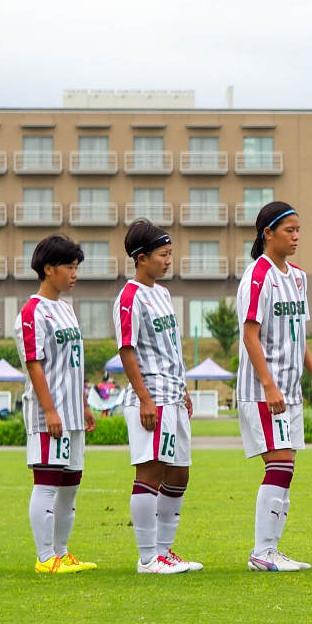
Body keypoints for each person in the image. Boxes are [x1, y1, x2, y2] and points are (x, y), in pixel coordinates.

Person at [236, 202, 312, 573]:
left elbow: (297, 332)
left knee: (286, 469)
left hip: (290, 390)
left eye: (298, 229)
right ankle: (262, 552)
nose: (296, 236)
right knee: (280, 464)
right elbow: (250, 335)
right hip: (263, 390)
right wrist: (269, 385)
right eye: (289, 229)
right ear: (267, 233)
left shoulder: (299, 277)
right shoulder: (257, 275)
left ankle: (271, 549)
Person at [114, 219, 200, 574]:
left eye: (169, 253)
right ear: (141, 258)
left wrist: (183, 389)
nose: (168, 260)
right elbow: (126, 350)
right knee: (150, 474)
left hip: (173, 397)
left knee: (179, 475)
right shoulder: (129, 297)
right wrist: (145, 399)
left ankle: (165, 551)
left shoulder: (162, 293)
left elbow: (171, 347)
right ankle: (148, 557)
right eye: (163, 254)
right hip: (151, 399)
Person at [18, 234, 97, 574]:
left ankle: (62, 553)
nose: (74, 273)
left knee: (70, 486)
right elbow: (34, 364)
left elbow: (73, 363)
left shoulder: (66, 308)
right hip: (47, 413)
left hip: (73, 413)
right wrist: (50, 410)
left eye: (76, 266)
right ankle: (45, 557)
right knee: (47, 483)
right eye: (69, 266)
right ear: (48, 269)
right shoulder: (32, 311)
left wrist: (84, 403)